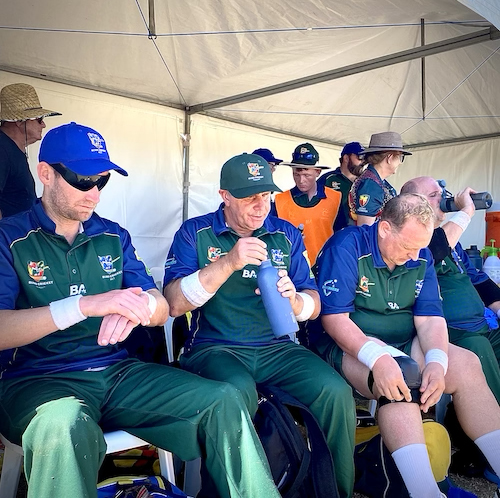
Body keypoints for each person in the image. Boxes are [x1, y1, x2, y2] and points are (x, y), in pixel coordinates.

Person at [0, 124, 280, 498]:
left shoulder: (112, 235)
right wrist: (83, 306)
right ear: (46, 173)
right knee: (62, 425)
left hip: (117, 373)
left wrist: (139, 308)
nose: (94, 193)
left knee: (224, 399)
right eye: (83, 180)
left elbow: (163, 307)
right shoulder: (9, 238)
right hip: (37, 379)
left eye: (102, 181)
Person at [163, 152, 356, 498]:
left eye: (265, 195)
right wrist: (227, 263)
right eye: (249, 196)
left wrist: (297, 302)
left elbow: (314, 303)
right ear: (225, 196)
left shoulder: (284, 234)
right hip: (215, 347)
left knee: (336, 392)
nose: (260, 205)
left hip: (278, 348)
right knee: (237, 393)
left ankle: (333, 491)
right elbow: (174, 303)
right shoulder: (196, 233)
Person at [312, 193, 500, 498]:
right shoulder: (347, 246)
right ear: (385, 228)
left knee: (464, 364)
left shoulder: (419, 252)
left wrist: (438, 363)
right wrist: (379, 359)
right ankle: (424, 492)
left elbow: (429, 319)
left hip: (403, 339)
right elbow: (335, 320)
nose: (415, 257)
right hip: (349, 344)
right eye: (408, 247)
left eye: (420, 248)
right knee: (401, 375)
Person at [401, 176, 500, 402]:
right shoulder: (413, 240)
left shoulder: (450, 241)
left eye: (442, 194)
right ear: (413, 203)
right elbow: (433, 249)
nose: (443, 199)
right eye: (433, 195)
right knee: (477, 345)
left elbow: (478, 279)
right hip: (449, 330)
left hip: (479, 326)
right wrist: (466, 211)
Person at [273, 142, 341, 265]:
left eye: (306, 175)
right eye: (296, 174)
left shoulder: (335, 198)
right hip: (292, 266)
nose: (301, 180)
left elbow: (341, 235)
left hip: (326, 264)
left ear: (318, 172)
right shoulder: (280, 201)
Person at [0, 83, 61, 218]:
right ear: (19, 121)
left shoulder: (10, 148)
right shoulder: (2, 147)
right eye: (39, 119)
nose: (43, 124)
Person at [348, 131, 411, 226]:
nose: (400, 162)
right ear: (389, 158)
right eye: (400, 157)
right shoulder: (370, 186)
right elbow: (365, 229)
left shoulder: (375, 182)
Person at [317, 141, 365, 230]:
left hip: (358, 236)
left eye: (365, 158)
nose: (363, 162)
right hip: (332, 236)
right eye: (360, 157)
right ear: (346, 158)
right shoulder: (328, 179)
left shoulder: (366, 182)